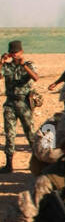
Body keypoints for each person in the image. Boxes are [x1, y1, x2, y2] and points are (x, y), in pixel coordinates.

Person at [2, 40, 39, 173]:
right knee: (9, 134)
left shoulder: (28, 65)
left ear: (21, 52)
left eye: (16, 52)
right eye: (12, 52)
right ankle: (9, 164)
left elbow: (35, 78)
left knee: (30, 133)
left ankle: (38, 162)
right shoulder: (7, 67)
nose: (14, 55)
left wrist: (24, 66)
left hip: (24, 103)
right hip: (10, 103)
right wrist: (1, 61)